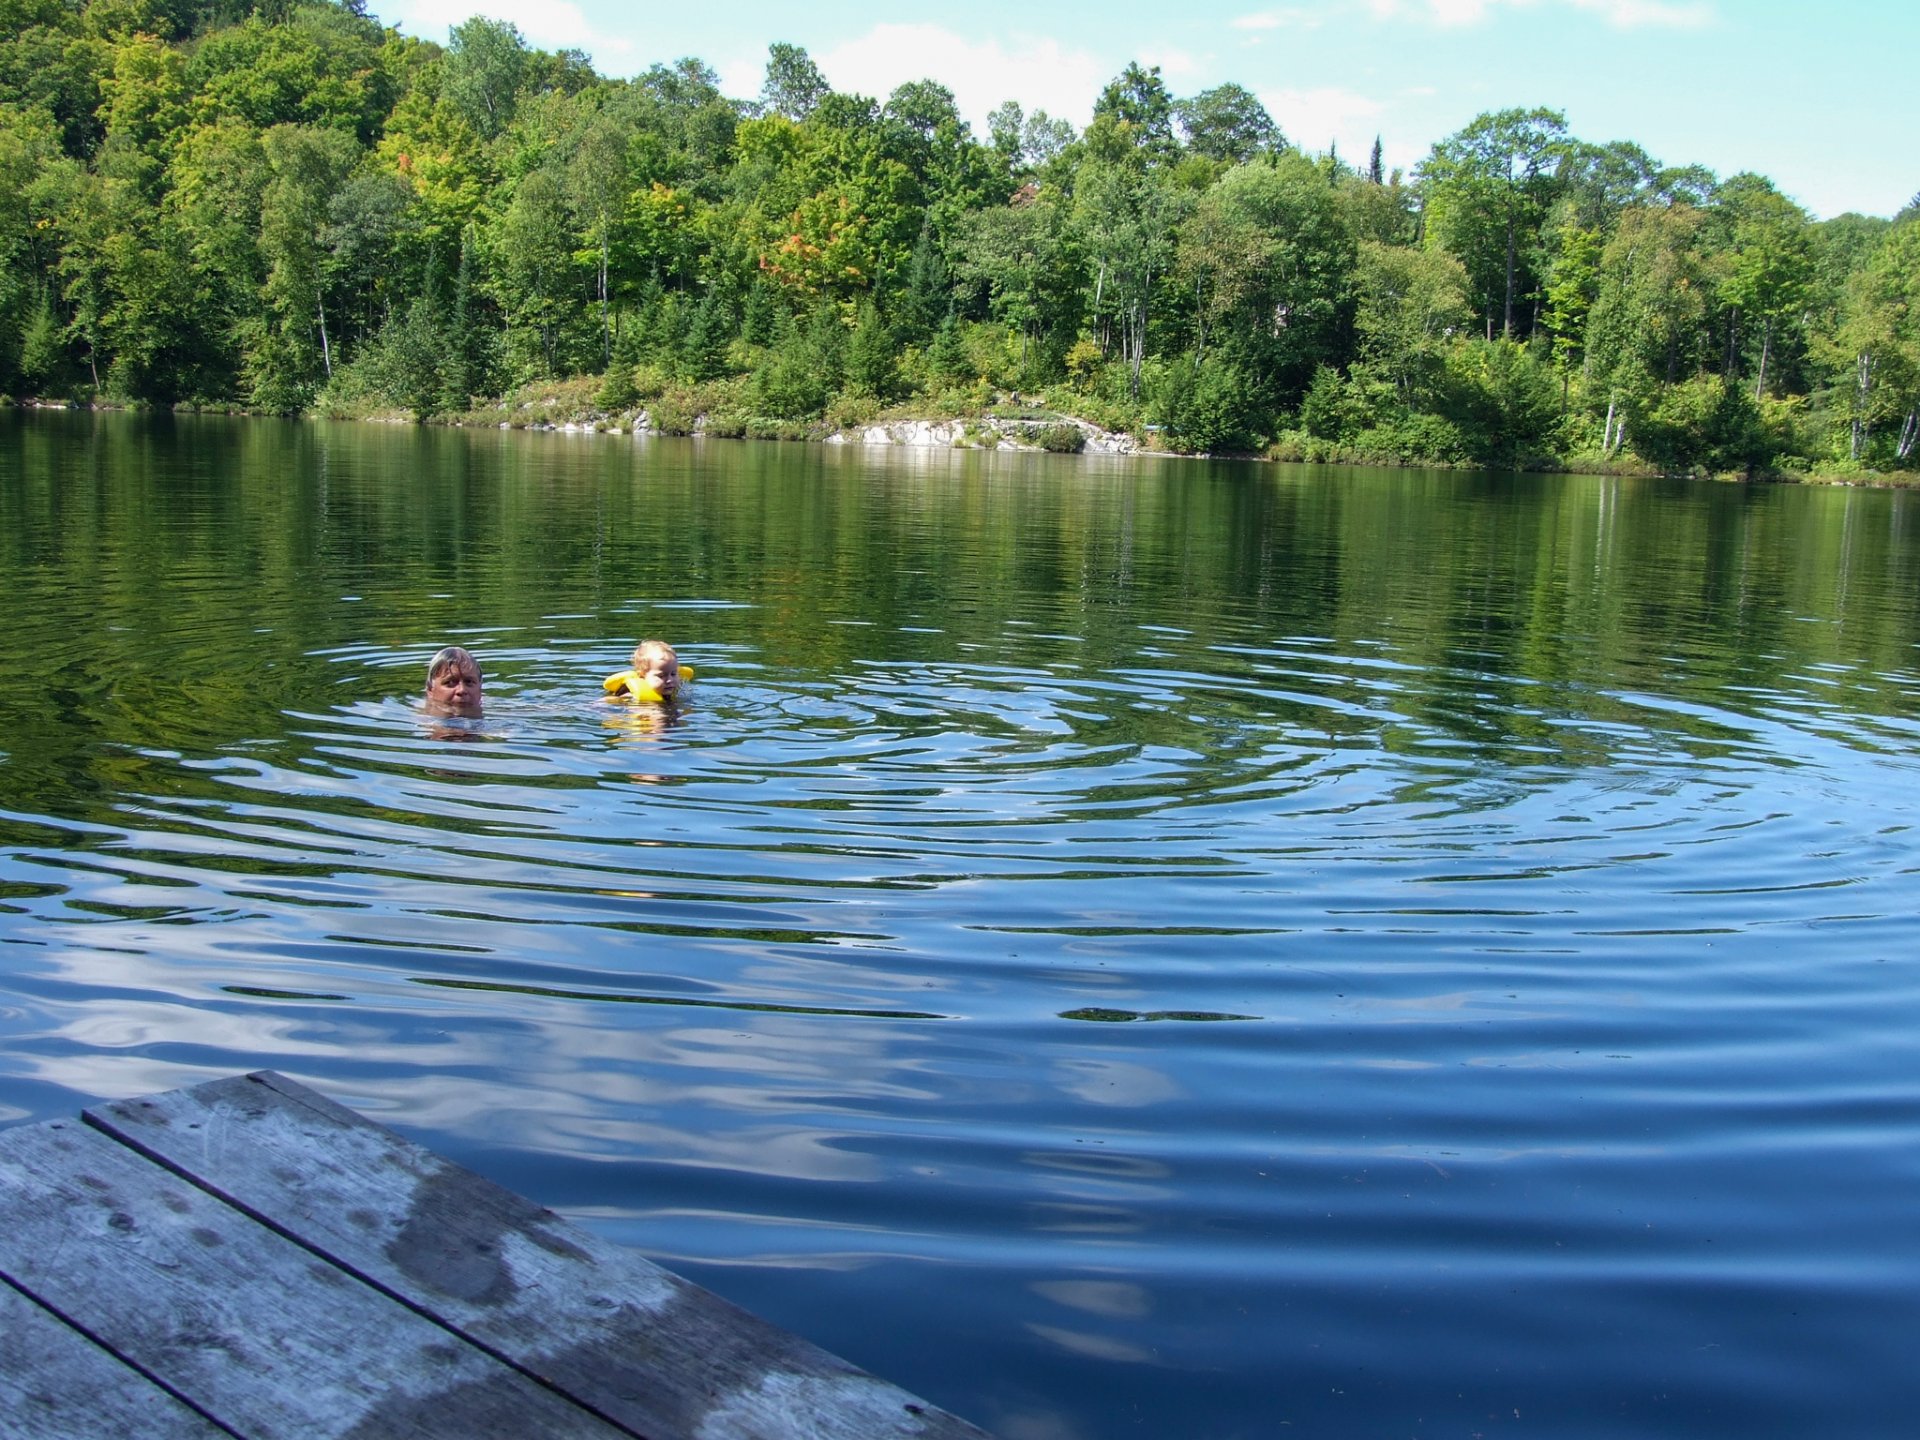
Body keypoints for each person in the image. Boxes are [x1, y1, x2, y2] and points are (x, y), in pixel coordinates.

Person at [423, 645, 483, 717]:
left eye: (469, 681)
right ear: (430, 689)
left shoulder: (496, 709)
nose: (462, 690)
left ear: (480, 689)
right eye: (450, 682)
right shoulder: (419, 720)